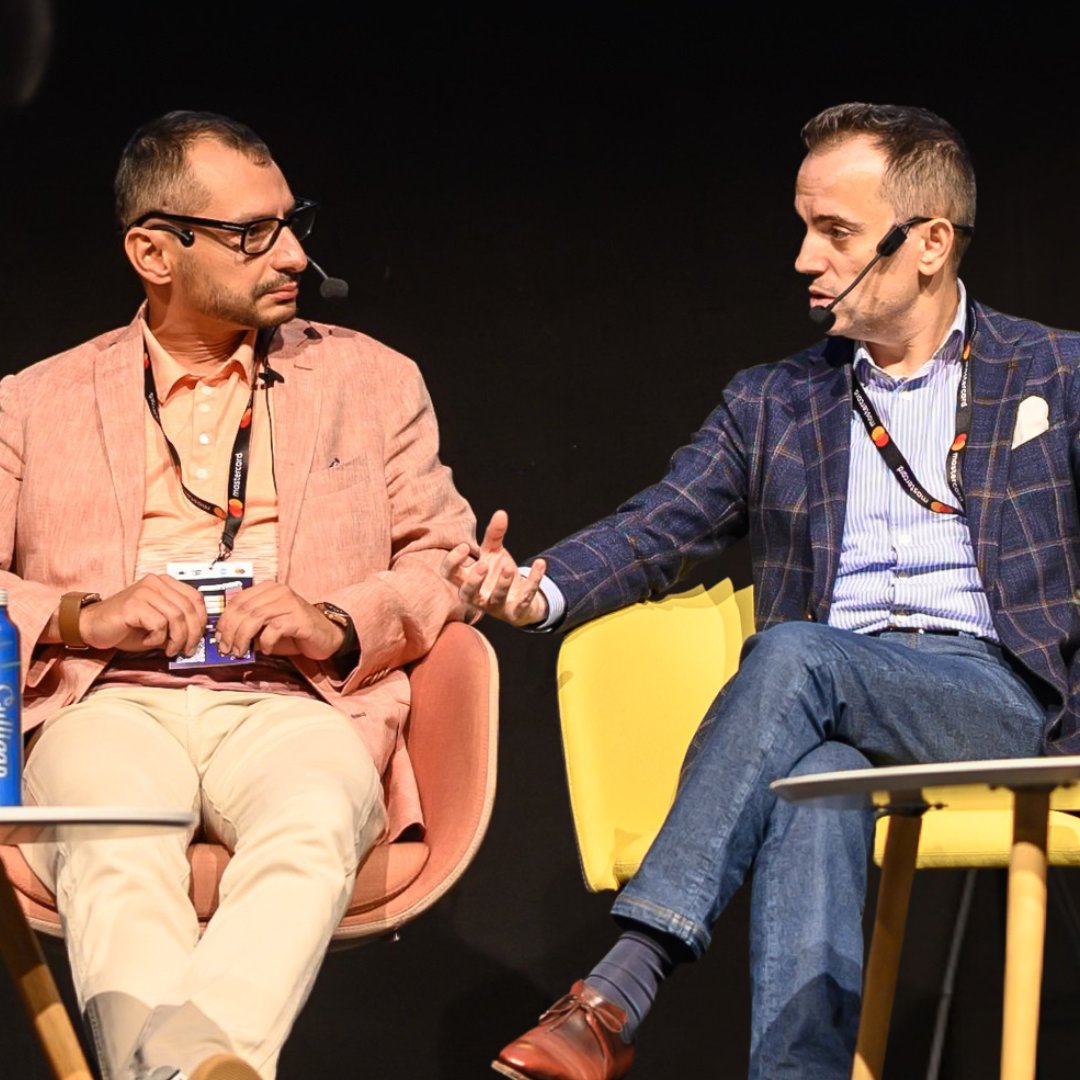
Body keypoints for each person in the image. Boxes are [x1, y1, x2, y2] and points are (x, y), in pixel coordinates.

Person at [443, 102, 1080, 1079]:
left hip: (993, 696)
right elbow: (660, 527)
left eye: (835, 232)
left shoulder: (1057, 373)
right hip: (828, 696)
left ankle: (620, 987)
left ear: (930, 245)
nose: (802, 258)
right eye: (802, 227)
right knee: (814, 781)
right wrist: (535, 592)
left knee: (792, 655)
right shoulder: (776, 400)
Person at [0, 110, 475, 1080]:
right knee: (115, 835)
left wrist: (336, 620)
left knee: (316, 810)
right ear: (153, 251)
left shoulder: (373, 381)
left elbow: (444, 562)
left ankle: (176, 1065)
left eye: (290, 222)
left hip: (296, 698)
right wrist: (81, 613)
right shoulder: (32, 402)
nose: (293, 253)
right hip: (108, 696)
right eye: (251, 234)